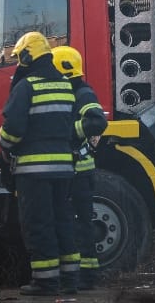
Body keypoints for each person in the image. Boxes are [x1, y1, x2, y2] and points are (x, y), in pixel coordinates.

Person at [0, 31, 81, 296]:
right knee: (63, 221)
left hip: (34, 171)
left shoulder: (27, 87)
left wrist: (3, 145)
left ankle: (45, 282)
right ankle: (70, 281)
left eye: (19, 58)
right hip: (64, 169)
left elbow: (13, 130)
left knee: (39, 223)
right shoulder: (66, 86)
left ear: (27, 55)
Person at [51, 45, 109, 290]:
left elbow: (97, 121)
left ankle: (86, 277)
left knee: (80, 223)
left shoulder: (82, 92)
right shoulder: (70, 90)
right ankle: (82, 276)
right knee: (74, 222)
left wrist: (70, 133)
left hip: (79, 172)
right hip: (72, 171)